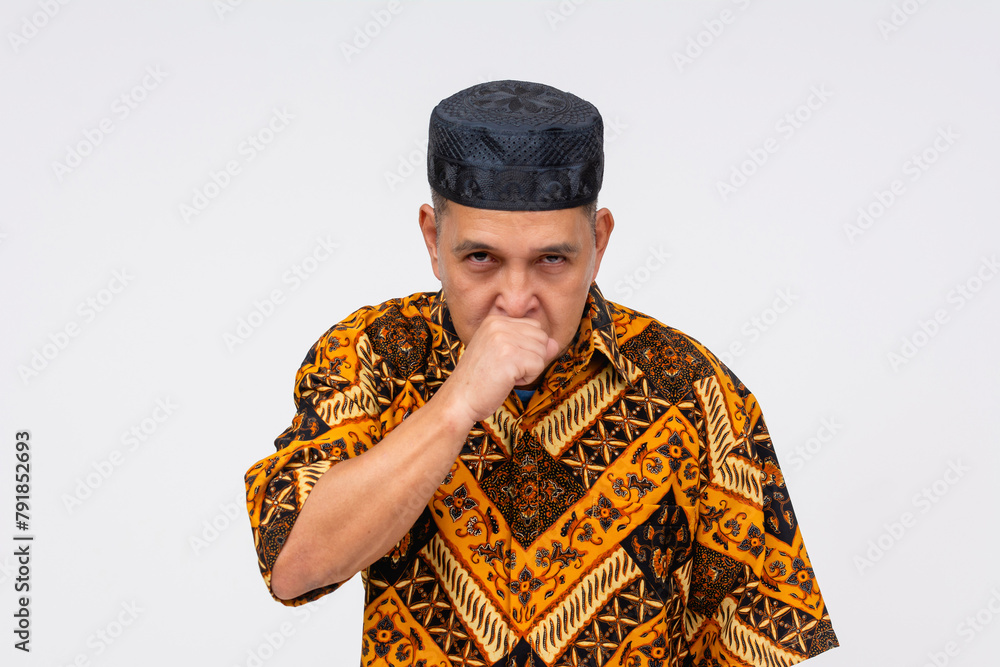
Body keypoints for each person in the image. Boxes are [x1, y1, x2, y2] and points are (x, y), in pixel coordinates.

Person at [244, 80, 839, 667]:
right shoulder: (374, 354)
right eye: (481, 258)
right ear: (432, 238)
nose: (516, 300)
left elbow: (760, 638)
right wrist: (455, 407)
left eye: (552, 259)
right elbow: (294, 566)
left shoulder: (695, 391)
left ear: (598, 242)